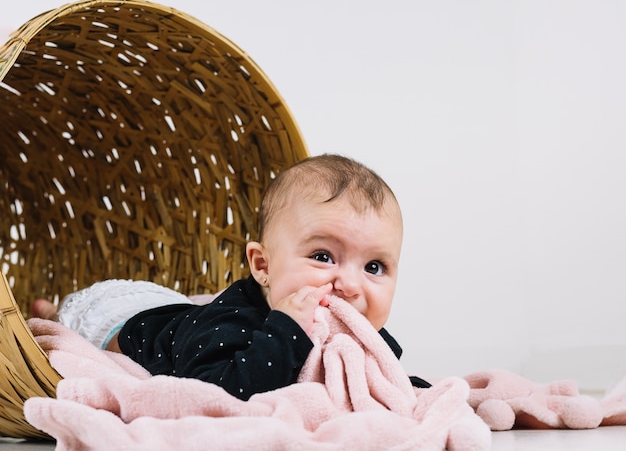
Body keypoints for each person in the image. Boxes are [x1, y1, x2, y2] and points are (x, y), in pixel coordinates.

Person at [32, 154, 430, 399]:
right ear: (263, 266)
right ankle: (52, 308)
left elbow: (382, 377)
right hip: (118, 316)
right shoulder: (232, 323)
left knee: (186, 310)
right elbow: (223, 392)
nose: (351, 284)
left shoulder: (358, 327)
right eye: (323, 256)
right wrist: (286, 330)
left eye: (374, 267)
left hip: (180, 311)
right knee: (64, 321)